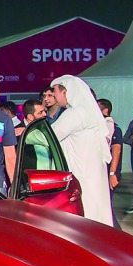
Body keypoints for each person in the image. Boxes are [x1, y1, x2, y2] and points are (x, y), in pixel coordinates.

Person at [49, 75, 113, 225]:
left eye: (55, 91)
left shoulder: (74, 114)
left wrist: (27, 133)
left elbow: (50, 137)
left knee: (85, 217)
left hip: (81, 175)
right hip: (91, 175)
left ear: (66, 92)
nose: (54, 96)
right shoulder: (88, 111)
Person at [98, 98, 123, 193]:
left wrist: (112, 173)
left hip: (109, 170)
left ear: (105, 110)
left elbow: (116, 151)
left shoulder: (114, 128)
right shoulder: (99, 127)